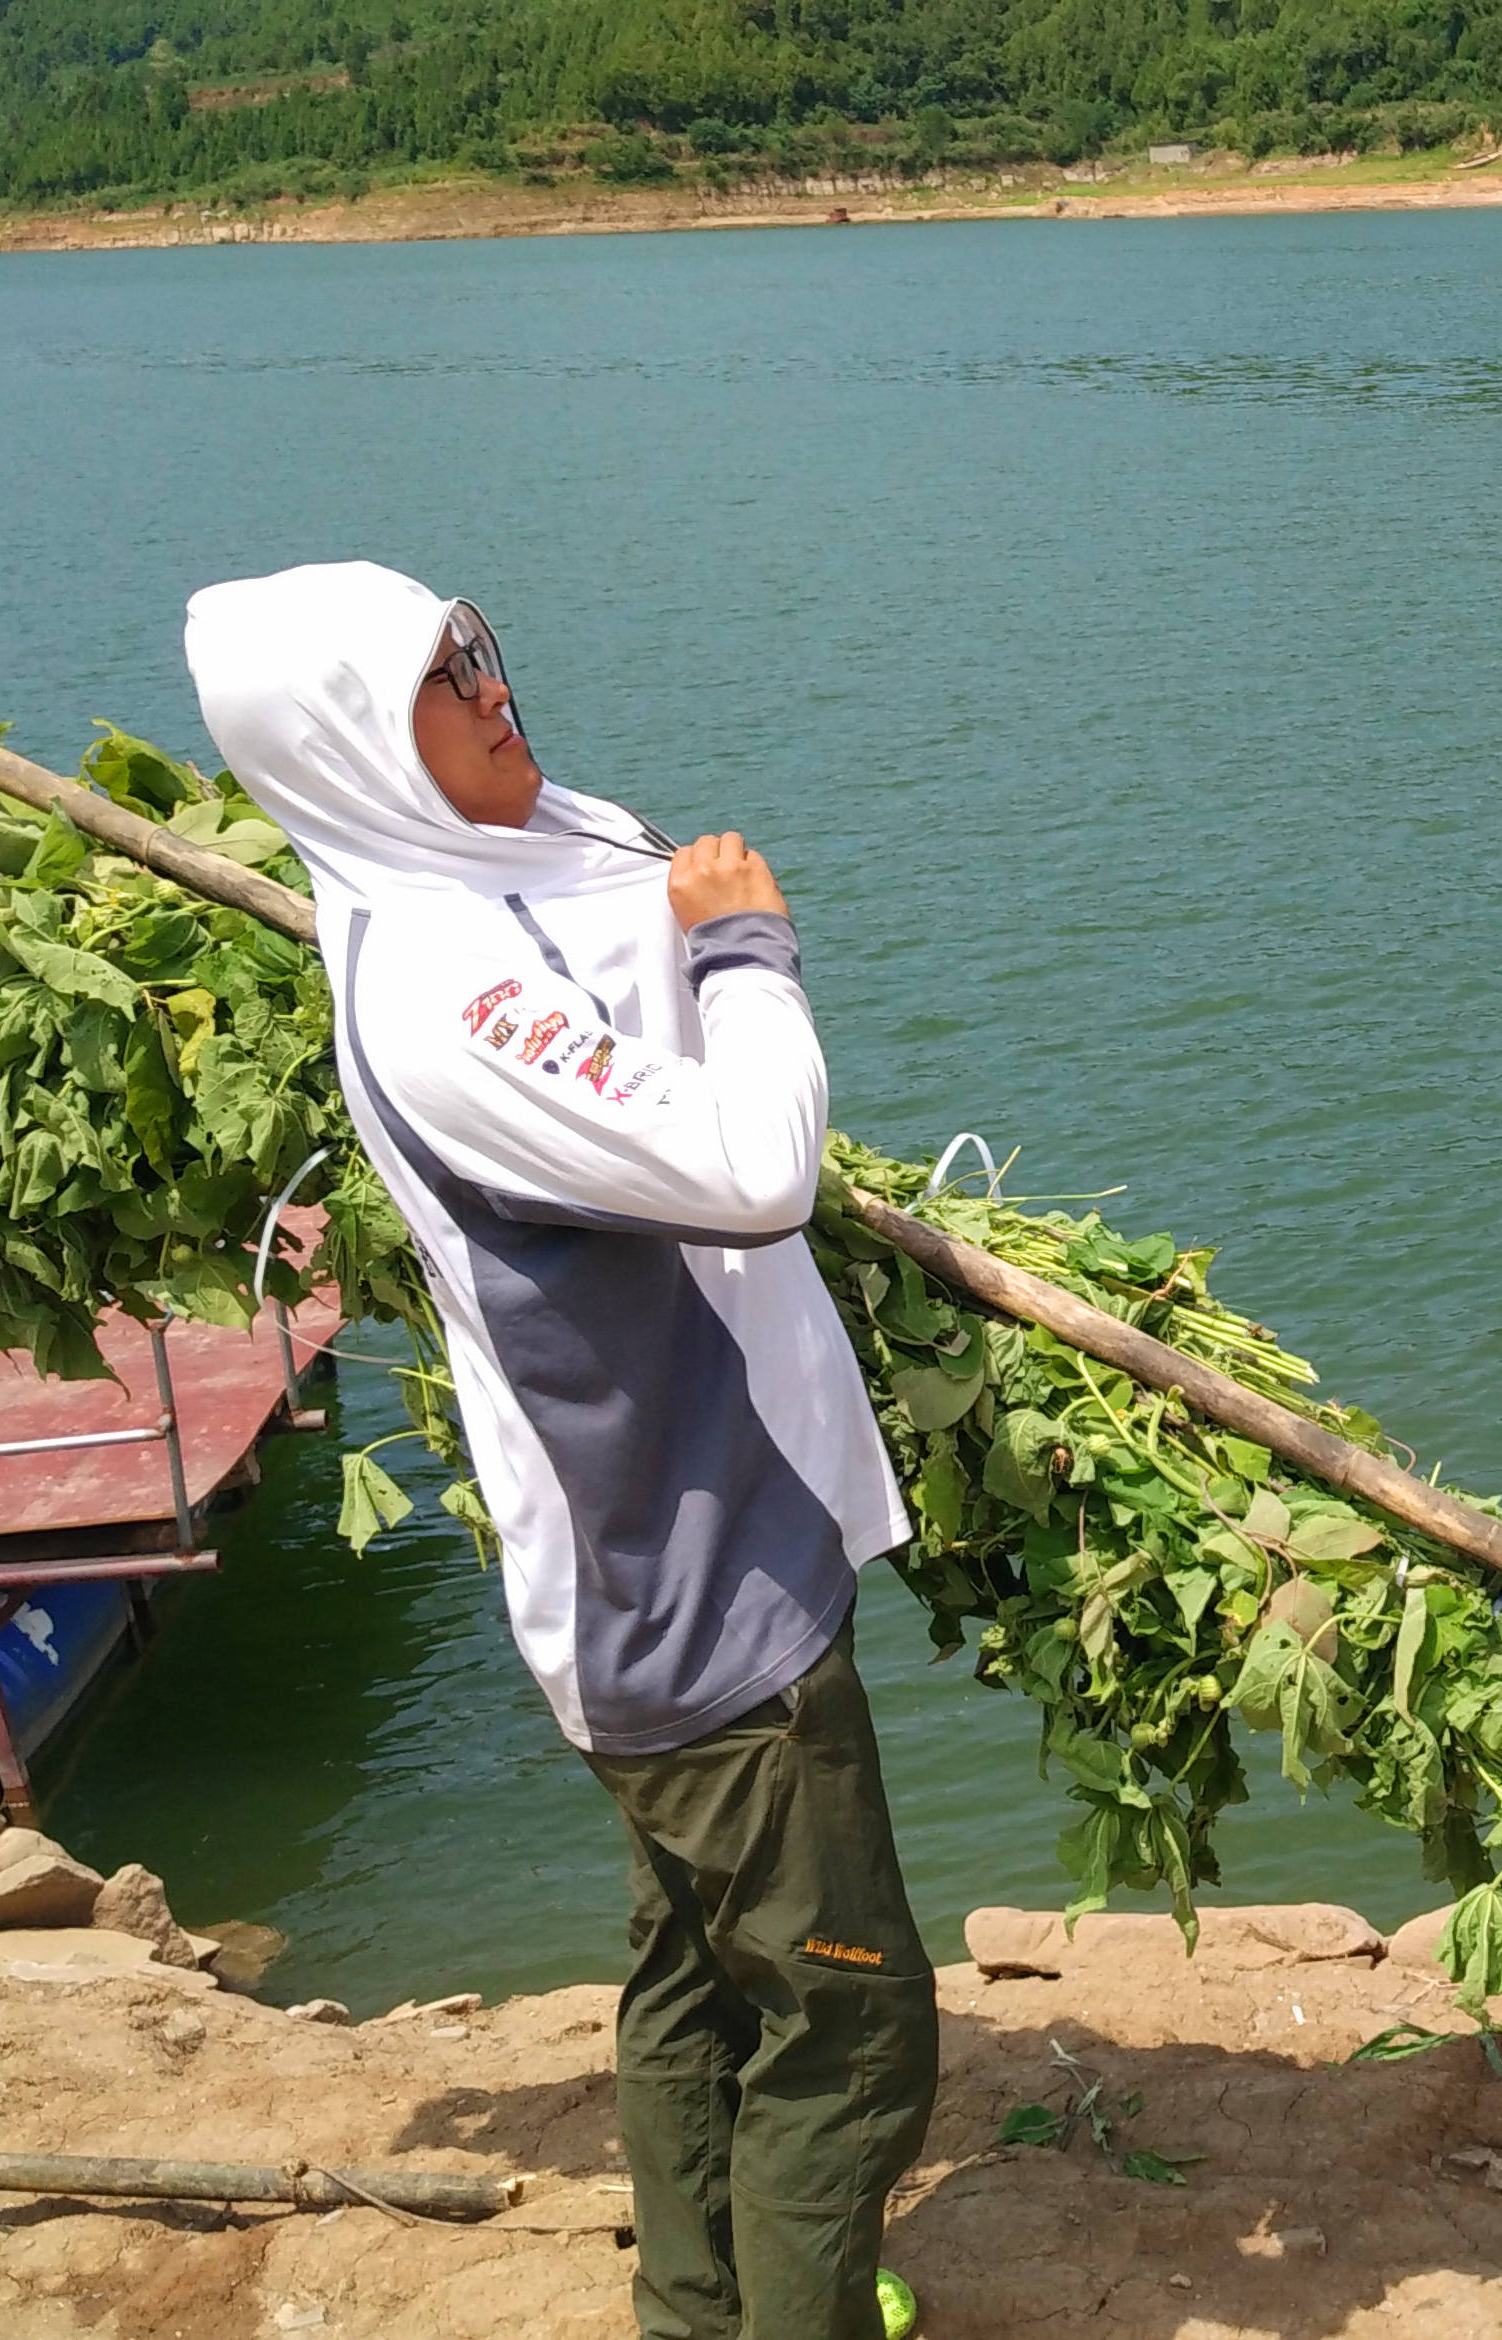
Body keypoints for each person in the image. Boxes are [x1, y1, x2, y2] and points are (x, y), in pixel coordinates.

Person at [189, 564, 935, 2340]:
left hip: (642, 1592)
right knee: (845, 2026)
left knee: (696, 1978)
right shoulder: (448, 997)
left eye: (481, 644)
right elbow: (758, 1174)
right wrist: (751, 952)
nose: (495, 687)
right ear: (362, 742)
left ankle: (701, 2311)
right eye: (448, 679)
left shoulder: (457, 868)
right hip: (697, 1600)